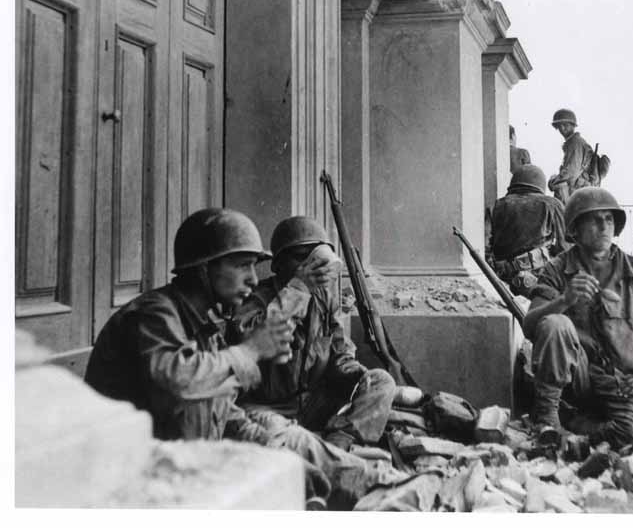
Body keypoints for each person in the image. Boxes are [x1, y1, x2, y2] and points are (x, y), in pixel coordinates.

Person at [85, 208, 399, 508]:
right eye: (242, 265)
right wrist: (251, 350)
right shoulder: (153, 315)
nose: (251, 278)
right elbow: (179, 381)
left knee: (320, 466)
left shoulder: (205, 327)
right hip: (133, 481)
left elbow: (226, 414)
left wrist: (278, 456)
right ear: (204, 268)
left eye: (254, 266)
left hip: (183, 466)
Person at [521, 188, 633, 448]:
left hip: (624, 382)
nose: (604, 226)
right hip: (578, 379)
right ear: (575, 229)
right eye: (594, 219)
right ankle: (547, 419)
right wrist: (564, 300)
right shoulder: (557, 268)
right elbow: (530, 325)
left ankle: (580, 432)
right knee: (556, 323)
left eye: (609, 219)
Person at [233, 215, 396, 453]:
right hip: (267, 406)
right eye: (301, 257)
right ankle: (320, 452)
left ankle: (340, 440)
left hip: (311, 402)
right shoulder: (255, 298)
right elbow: (248, 336)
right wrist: (298, 289)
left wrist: (353, 371)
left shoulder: (323, 300)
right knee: (266, 431)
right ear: (277, 265)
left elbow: (339, 349)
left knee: (382, 381)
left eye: (316, 256)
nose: (311, 264)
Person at [488, 164, 567, 299]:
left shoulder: (498, 205)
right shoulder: (552, 204)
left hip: (502, 280)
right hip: (539, 279)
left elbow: (487, 246)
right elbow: (565, 248)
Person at [548, 108, 598, 204]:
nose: (562, 128)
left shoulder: (575, 143)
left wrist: (553, 181)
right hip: (582, 193)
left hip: (579, 194)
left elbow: (571, 172)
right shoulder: (574, 142)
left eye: (566, 125)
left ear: (573, 125)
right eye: (559, 125)